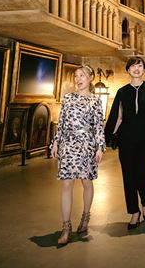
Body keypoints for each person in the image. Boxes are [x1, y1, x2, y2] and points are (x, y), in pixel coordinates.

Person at [104, 57, 145, 230]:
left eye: (139, 65)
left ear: (144, 69)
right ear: (128, 70)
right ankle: (134, 211)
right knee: (128, 175)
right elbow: (117, 116)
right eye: (133, 66)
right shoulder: (122, 91)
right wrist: (107, 137)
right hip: (126, 139)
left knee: (142, 173)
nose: (136, 68)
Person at [50, 65, 105, 245]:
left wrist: (100, 148)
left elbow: (98, 127)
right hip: (68, 145)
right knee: (67, 184)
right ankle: (66, 228)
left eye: (82, 75)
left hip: (87, 146)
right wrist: (55, 142)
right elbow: (61, 122)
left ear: (90, 78)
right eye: (76, 76)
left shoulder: (95, 101)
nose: (78, 79)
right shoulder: (68, 98)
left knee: (86, 182)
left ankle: (85, 218)